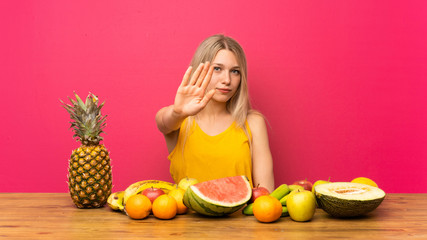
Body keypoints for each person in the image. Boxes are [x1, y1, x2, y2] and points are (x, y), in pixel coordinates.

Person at [155, 34, 275, 192]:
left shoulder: (253, 122)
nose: (227, 79)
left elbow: (266, 196)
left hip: (240, 217)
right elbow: (163, 122)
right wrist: (178, 113)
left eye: (235, 72)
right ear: (200, 69)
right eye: (217, 69)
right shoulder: (179, 119)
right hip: (187, 217)